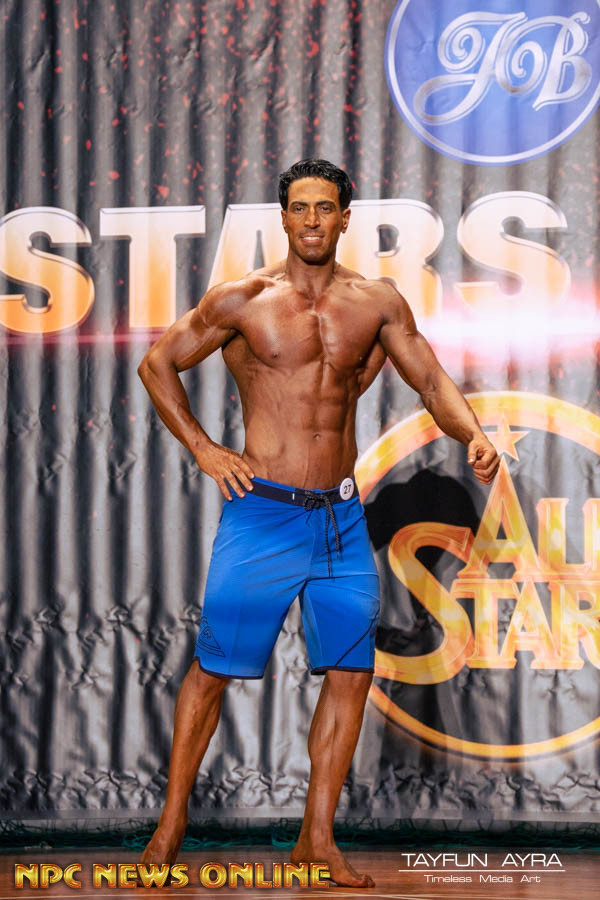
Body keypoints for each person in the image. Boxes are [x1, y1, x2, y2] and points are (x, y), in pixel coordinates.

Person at [137, 158, 499, 887]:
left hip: (339, 520)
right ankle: (169, 829)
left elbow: (430, 379)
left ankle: (317, 840)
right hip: (263, 516)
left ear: (343, 218)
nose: (311, 220)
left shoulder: (376, 303)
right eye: (299, 207)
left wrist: (473, 434)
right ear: (283, 218)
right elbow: (157, 363)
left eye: (324, 208)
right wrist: (205, 449)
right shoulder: (243, 298)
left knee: (351, 674)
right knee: (213, 672)